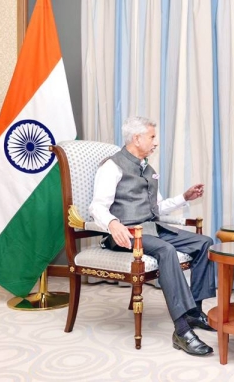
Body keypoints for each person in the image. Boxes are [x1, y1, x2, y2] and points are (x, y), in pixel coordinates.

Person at [89, 116, 216, 356]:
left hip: (150, 228)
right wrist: (113, 223)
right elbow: (97, 207)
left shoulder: (148, 168)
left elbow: (156, 208)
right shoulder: (112, 166)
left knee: (204, 243)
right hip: (124, 234)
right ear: (137, 138)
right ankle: (181, 330)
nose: (155, 142)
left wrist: (184, 198)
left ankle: (194, 313)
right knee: (166, 251)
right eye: (152, 137)